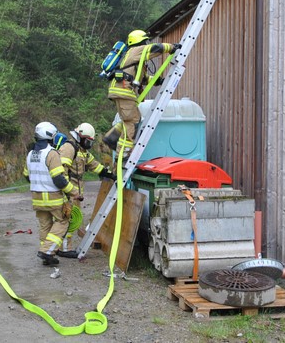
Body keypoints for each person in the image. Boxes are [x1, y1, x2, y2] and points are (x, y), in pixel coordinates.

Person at [102, 30, 180, 159]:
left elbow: (142, 78)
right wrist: (171, 47)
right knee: (132, 122)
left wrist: (158, 80)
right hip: (124, 91)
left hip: (121, 91)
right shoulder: (136, 51)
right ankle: (124, 153)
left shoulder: (133, 58)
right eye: (145, 41)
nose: (146, 43)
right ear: (140, 41)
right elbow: (154, 48)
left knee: (130, 119)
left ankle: (111, 137)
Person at [23, 122, 81, 266]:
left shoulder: (30, 154)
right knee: (63, 221)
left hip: (37, 198)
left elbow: (26, 175)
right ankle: (47, 251)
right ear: (50, 136)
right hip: (52, 197)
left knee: (45, 226)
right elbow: (59, 179)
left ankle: (47, 256)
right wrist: (74, 192)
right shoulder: (51, 153)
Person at [57, 123, 116, 257]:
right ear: (80, 137)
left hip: (75, 192)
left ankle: (62, 247)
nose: (89, 144)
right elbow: (61, 171)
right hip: (68, 191)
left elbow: (94, 165)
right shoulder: (69, 148)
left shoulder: (82, 151)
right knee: (68, 219)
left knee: (73, 219)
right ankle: (64, 249)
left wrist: (110, 175)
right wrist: (67, 192)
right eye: (88, 141)